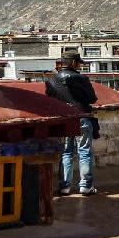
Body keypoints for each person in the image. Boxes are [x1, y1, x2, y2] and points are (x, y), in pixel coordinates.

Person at [45, 53, 99, 196]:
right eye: (79, 63)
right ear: (74, 63)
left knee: (66, 153)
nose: (80, 66)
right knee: (84, 152)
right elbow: (92, 99)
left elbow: (50, 99)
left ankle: (64, 186)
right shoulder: (80, 78)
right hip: (82, 116)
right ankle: (86, 186)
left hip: (64, 119)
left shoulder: (51, 80)